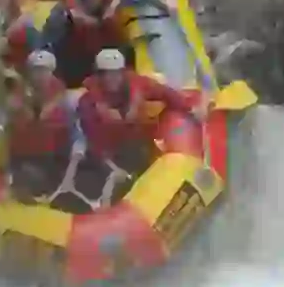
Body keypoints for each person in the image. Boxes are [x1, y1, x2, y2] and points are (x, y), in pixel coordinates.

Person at [77, 49, 203, 190]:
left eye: (116, 72)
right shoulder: (88, 103)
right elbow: (93, 142)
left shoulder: (138, 84)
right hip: (113, 154)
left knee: (147, 165)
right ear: (99, 76)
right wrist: (110, 168)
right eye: (106, 73)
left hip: (140, 144)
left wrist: (189, 108)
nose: (112, 78)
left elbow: (165, 93)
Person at [6, 50, 79, 201]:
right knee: (27, 176)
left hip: (49, 153)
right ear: (30, 72)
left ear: (51, 72)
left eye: (44, 71)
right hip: (25, 152)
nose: (40, 75)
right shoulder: (21, 92)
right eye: (36, 70)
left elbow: (60, 117)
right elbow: (17, 117)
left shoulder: (58, 91)